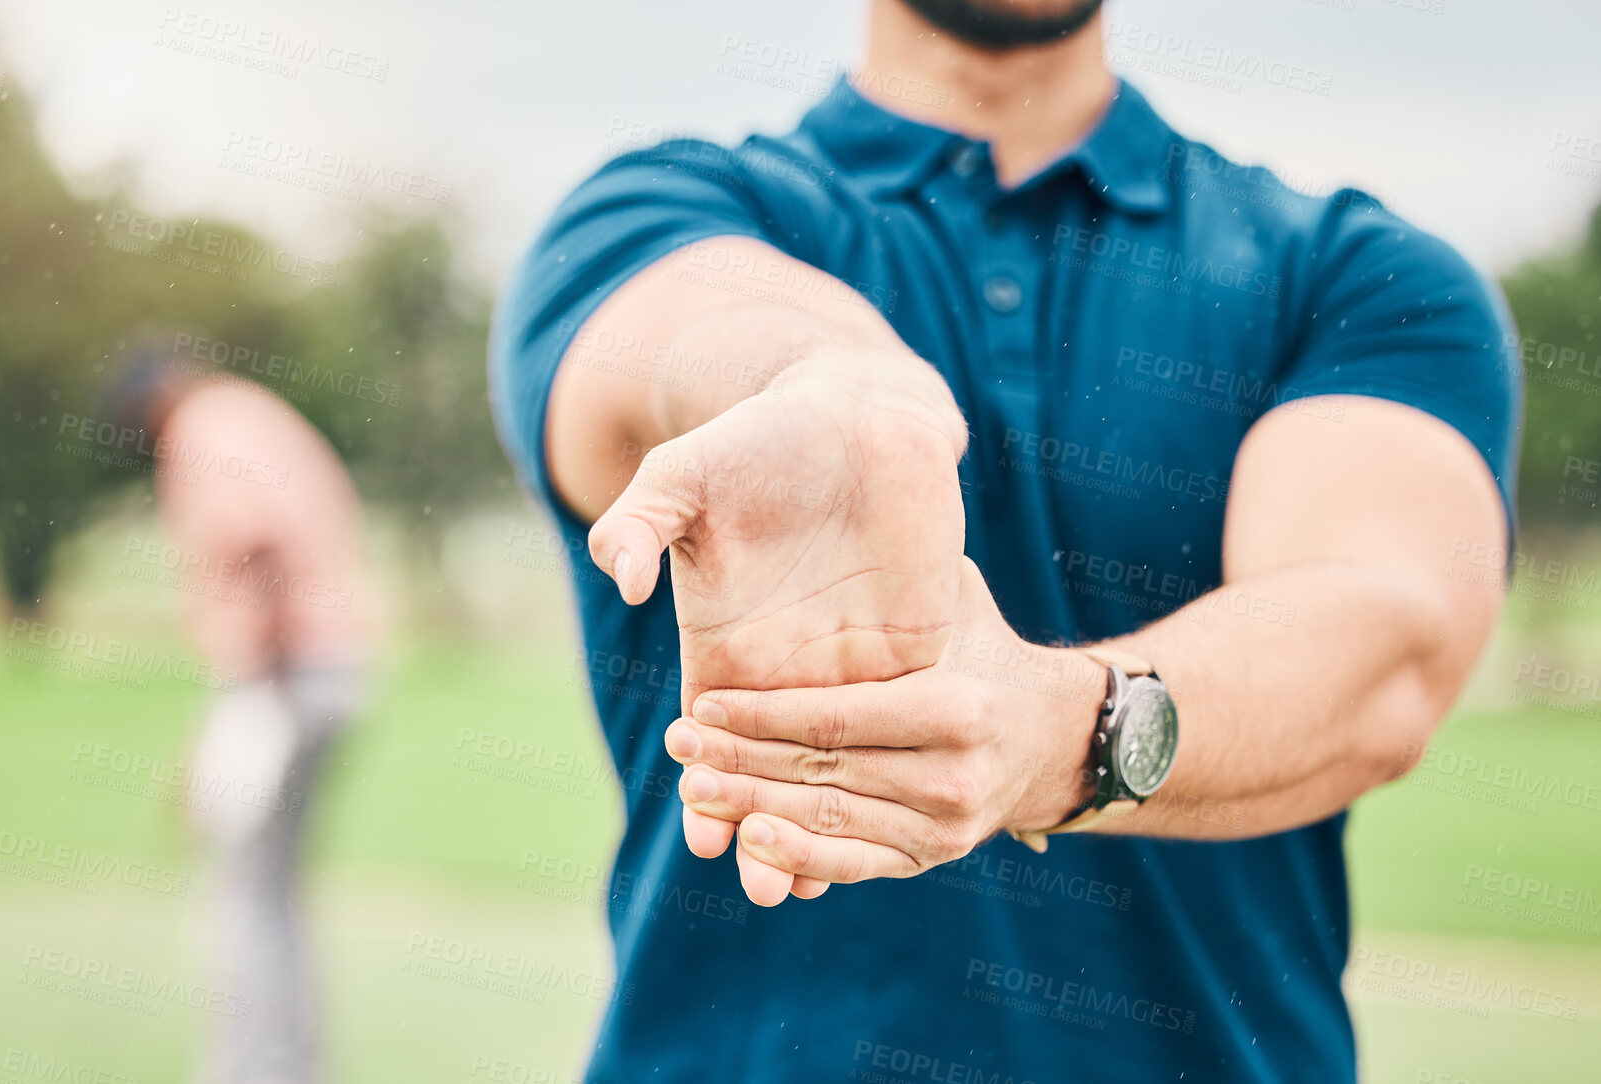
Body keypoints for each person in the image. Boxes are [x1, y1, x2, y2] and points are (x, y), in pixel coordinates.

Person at [488, 1, 1519, 1081]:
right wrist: (827, 381)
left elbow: (1377, 638)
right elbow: (685, 326)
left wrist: (1058, 736)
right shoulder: (652, 214)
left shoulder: (1356, 278)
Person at [106, 334, 373, 1084]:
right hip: (325, 668)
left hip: (286, 676)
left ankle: (254, 1073)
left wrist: (254, 696)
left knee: (246, 893)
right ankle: (292, 1067)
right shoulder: (251, 413)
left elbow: (253, 540)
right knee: (274, 891)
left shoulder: (204, 426)